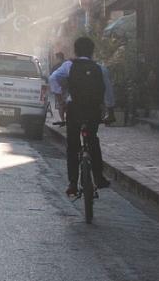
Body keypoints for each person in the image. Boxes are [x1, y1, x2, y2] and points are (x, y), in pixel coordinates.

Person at [49, 37, 116, 197]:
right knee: (92, 140)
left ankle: (73, 183)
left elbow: (53, 79)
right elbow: (109, 93)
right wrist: (110, 114)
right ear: (92, 52)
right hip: (93, 112)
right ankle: (99, 178)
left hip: (74, 110)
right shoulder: (100, 68)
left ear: (76, 51)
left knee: (73, 145)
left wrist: (61, 101)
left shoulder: (69, 65)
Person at [49, 52, 67, 123]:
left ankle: (62, 120)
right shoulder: (66, 66)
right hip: (67, 88)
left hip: (58, 89)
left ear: (58, 58)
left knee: (60, 105)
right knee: (67, 104)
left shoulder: (55, 67)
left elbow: (51, 78)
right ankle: (68, 119)